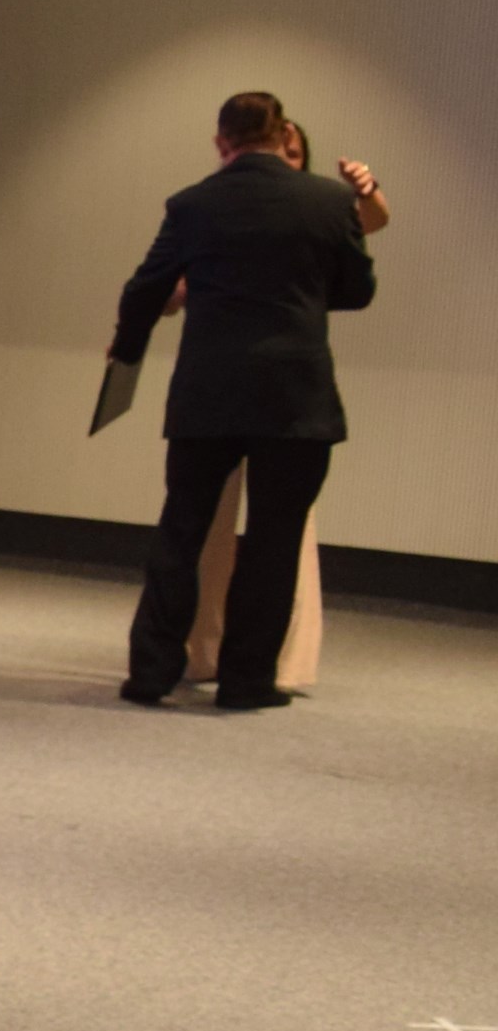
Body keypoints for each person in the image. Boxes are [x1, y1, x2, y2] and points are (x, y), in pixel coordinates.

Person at [115, 89, 383, 711]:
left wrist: (128, 349)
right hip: (296, 392)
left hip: (208, 390)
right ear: (283, 134)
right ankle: (246, 681)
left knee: (181, 531)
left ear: (222, 141)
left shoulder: (191, 205)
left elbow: (145, 288)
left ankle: (152, 671)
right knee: (274, 538)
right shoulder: (330, 201)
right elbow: (359, 290)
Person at [183, 112, 394, 691]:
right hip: (221, 385)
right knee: (209, 523)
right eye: (282, 150)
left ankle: (279, 660)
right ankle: (202, 648)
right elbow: (178, 281)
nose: (287, 162)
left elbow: (371, 220)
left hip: (288, 390)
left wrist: (367, 188)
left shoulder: (318, 210)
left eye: (296, 153)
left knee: (284, 533)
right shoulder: (217, 209)